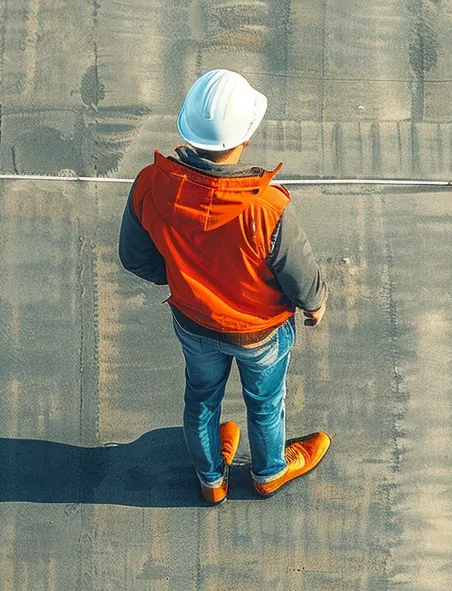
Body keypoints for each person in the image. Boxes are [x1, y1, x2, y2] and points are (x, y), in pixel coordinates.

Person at [117, 69, 330, 505]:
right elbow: (298, 271)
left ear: (186, 129)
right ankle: (269, 472)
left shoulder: (150, 185)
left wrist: (179, 274)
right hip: (260, 332)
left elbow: (134, 257)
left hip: (194, 324)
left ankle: (211, 479)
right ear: (245, 139)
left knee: (201, 397)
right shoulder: (265, 207)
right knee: (265, 401)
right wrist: (315, 302)